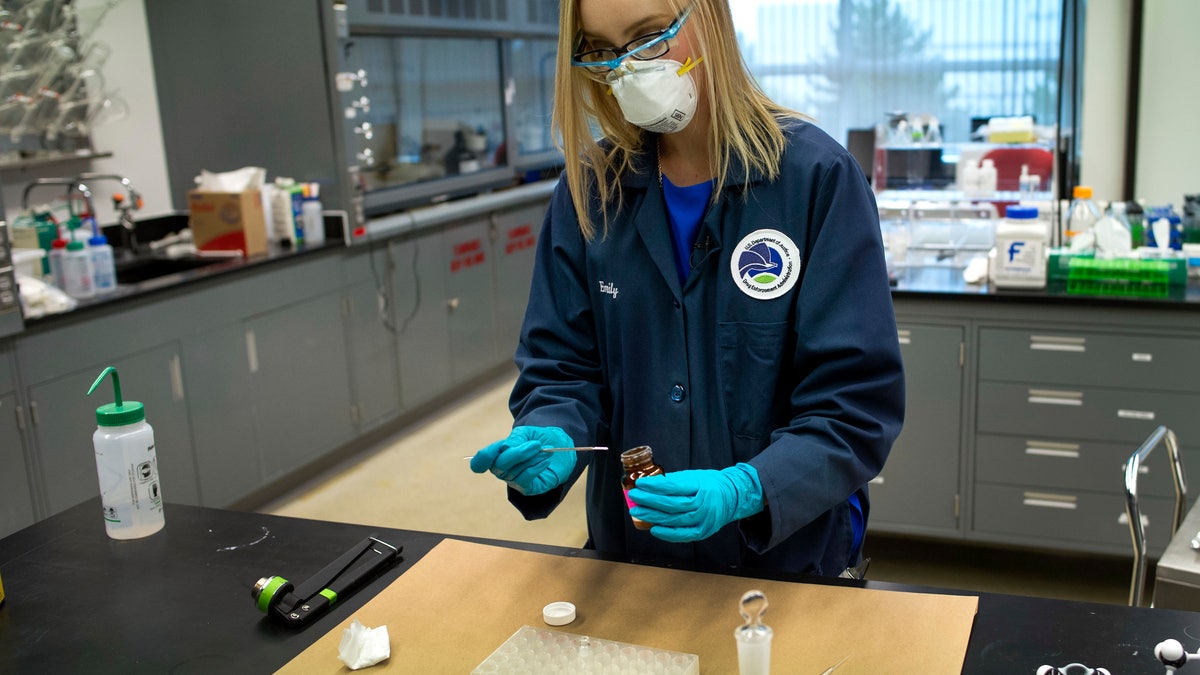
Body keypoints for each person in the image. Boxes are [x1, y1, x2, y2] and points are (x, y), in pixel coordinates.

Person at [470, 0, 904, 577]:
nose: (627, 69)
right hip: (637, 556)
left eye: (649, 38)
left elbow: (854, 405)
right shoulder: (590, 193)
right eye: (602, 51)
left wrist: (750, 487)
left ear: (712, 21)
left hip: (785, 559)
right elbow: (563, 369)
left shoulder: (815, 180)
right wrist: (551, 430)